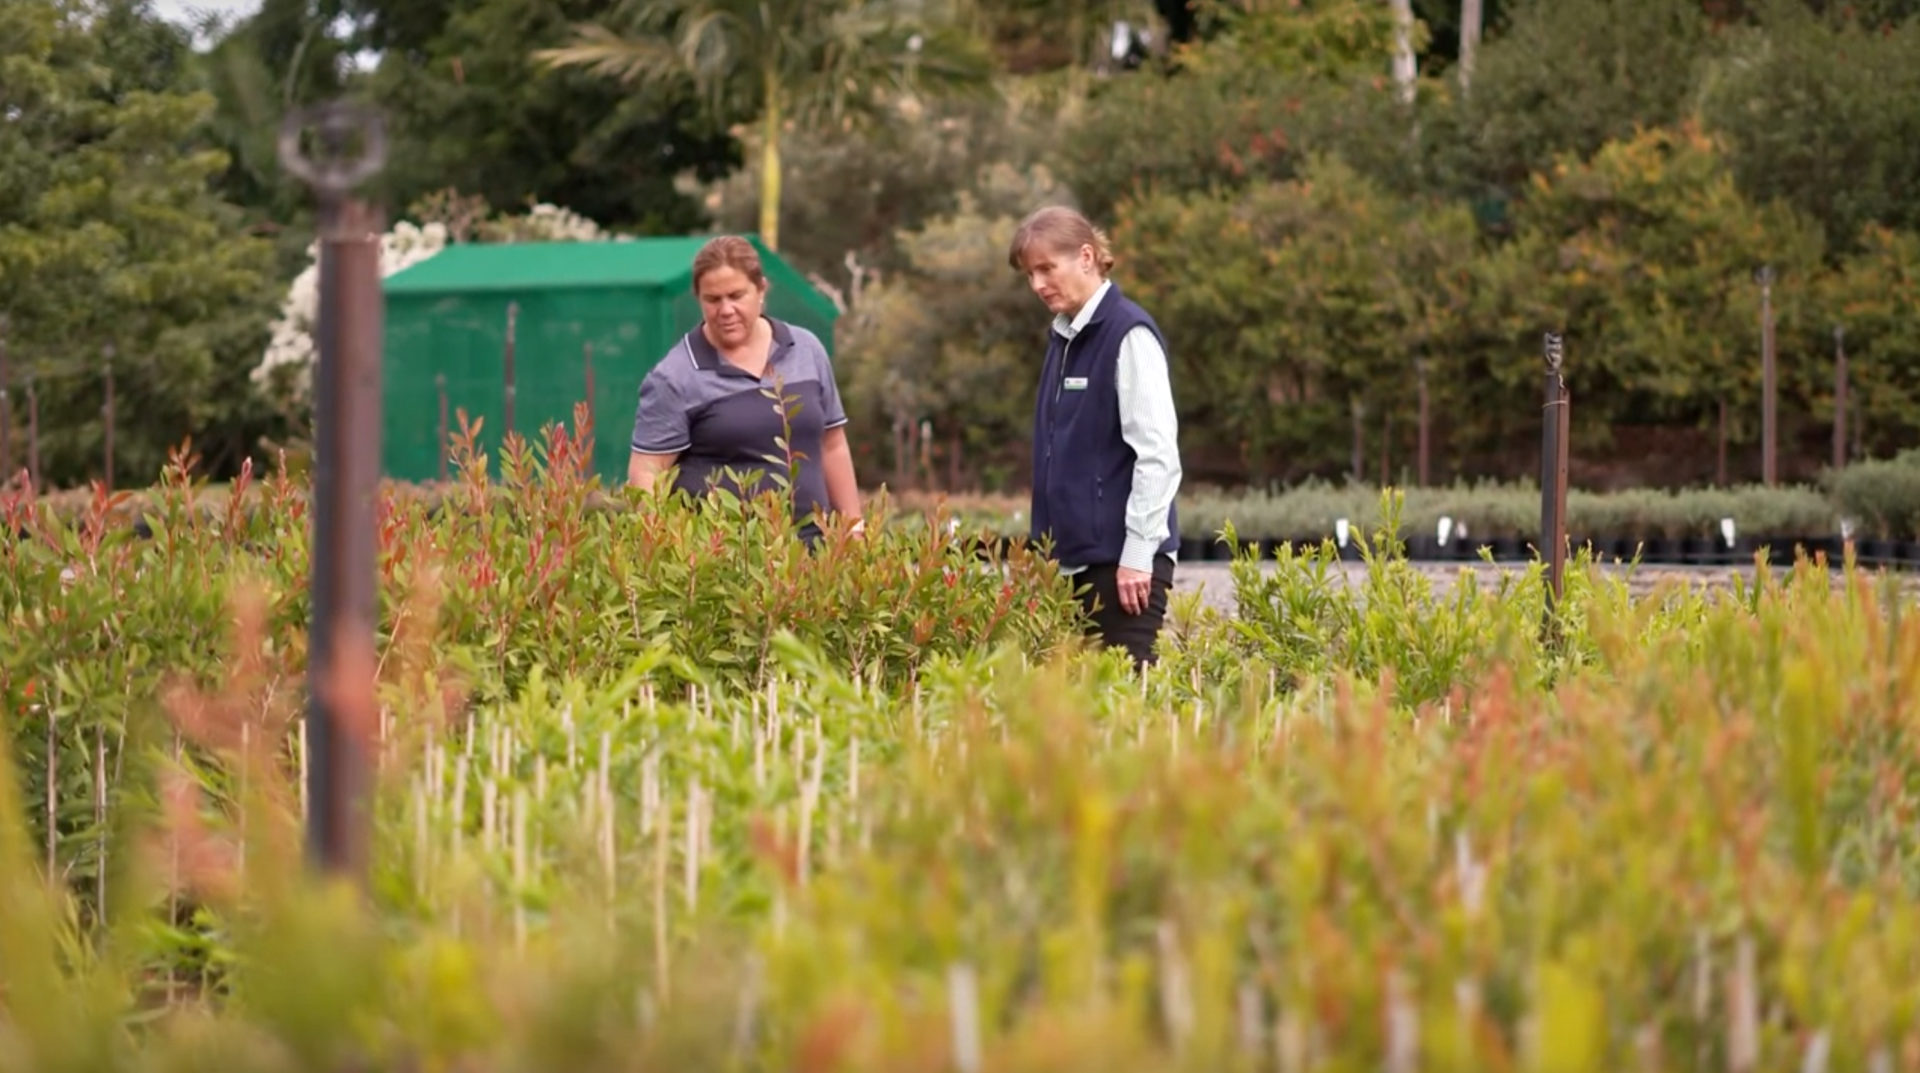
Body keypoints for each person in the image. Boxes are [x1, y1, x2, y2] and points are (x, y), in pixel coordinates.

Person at [1008, 205, 1183, 666]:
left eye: (1047, 268)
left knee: (1125, 712)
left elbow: (1158, 455)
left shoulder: (1128, 335)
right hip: (1068, 567)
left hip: (1122, 568)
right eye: (1030, 274)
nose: (1038, 285)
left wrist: (1139, 554)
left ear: (1086, 257)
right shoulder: (1063, 339)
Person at [628, 235, 864, 542]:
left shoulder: (806, 348)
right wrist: (668, 548)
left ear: (761, 290)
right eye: (712, 300)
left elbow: (832, 444)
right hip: (730, 563)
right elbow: (647, 473)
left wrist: (854, 528)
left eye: (736, 295)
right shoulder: (674, 377)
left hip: (818, 554)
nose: (725, 310)